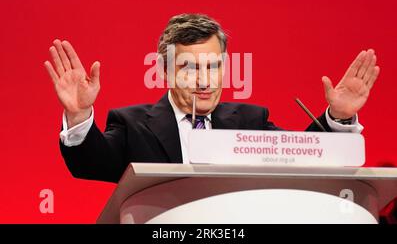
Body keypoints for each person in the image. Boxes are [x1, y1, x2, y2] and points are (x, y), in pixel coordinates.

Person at [44, 14, 380, 183]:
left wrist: (338, 117)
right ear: (164, 71)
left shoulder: (250, 122)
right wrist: (79, 114)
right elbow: (90, 163)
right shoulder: (132, 125)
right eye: (189, 67)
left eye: (214, 66)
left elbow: (306, 158)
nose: (205, 81)